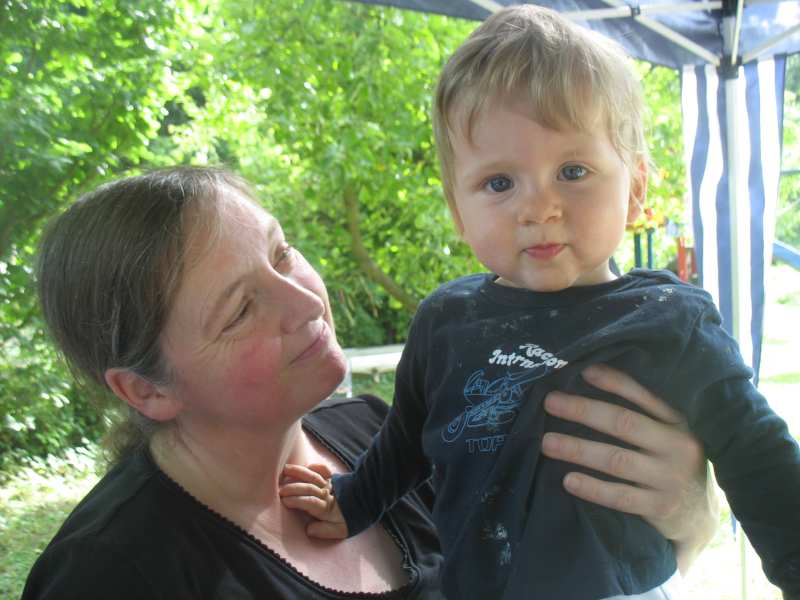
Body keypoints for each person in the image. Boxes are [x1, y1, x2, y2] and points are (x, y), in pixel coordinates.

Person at [278, 6, 800, 600]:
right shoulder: (446, 320)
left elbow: (758, 457)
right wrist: (353, 501)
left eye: (573, 171)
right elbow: (406, 439)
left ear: (634, 190)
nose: (538, 207)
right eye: (499, 183)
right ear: (458, 209)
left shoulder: (667, 319)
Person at [21, 167, 717, 600]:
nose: (305, 301)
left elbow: (585, 569)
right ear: (147, 391)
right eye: (239, 310)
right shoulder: (110, 575)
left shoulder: (385, 431)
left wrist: (688, 515)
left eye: (281, 254)